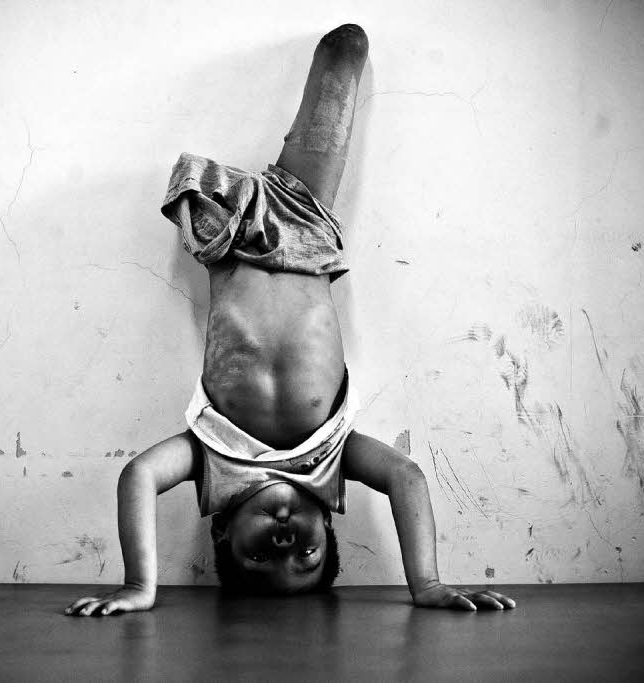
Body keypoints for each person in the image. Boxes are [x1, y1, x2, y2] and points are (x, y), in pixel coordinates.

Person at [65, 24, 516, 616]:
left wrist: (139, 585)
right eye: (307, 558)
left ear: (223, 535)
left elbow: (139, 477)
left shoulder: (209, 464)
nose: (285, 547)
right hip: (305, 219)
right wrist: (426, 583)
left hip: (229, 246)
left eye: (262, 560)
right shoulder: (333, 461)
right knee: (345, 49)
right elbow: (406, 476)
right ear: (329, 521)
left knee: (330, 60)